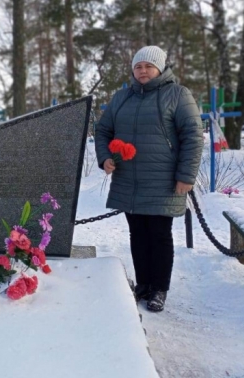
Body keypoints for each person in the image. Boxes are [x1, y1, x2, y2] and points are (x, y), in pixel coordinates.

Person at [94, 46, 202, 313]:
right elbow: (103, 130)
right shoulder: (122, 97)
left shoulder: (178, 95)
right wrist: (105, 157)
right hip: (129, 179)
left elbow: (192, 136)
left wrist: (186, 175)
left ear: (160, 68)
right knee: (137, 233)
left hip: (163, 179)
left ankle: (159, 289)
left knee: (159, 235)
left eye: (148, 66)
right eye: (138, 66)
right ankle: (143, 284)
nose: (143, 71)